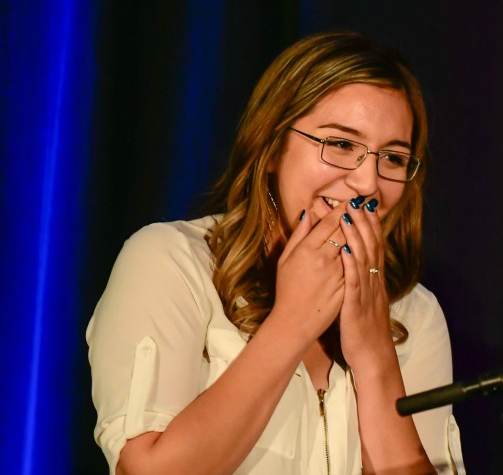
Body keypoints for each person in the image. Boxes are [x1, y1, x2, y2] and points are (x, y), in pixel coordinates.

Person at [87, 31, 463, 473]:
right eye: (341, 144)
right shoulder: (171, 262)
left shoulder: (414, 313)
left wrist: (375, 355)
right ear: (271, 147)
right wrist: (292, 322)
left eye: (393, 158)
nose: (368, 184)